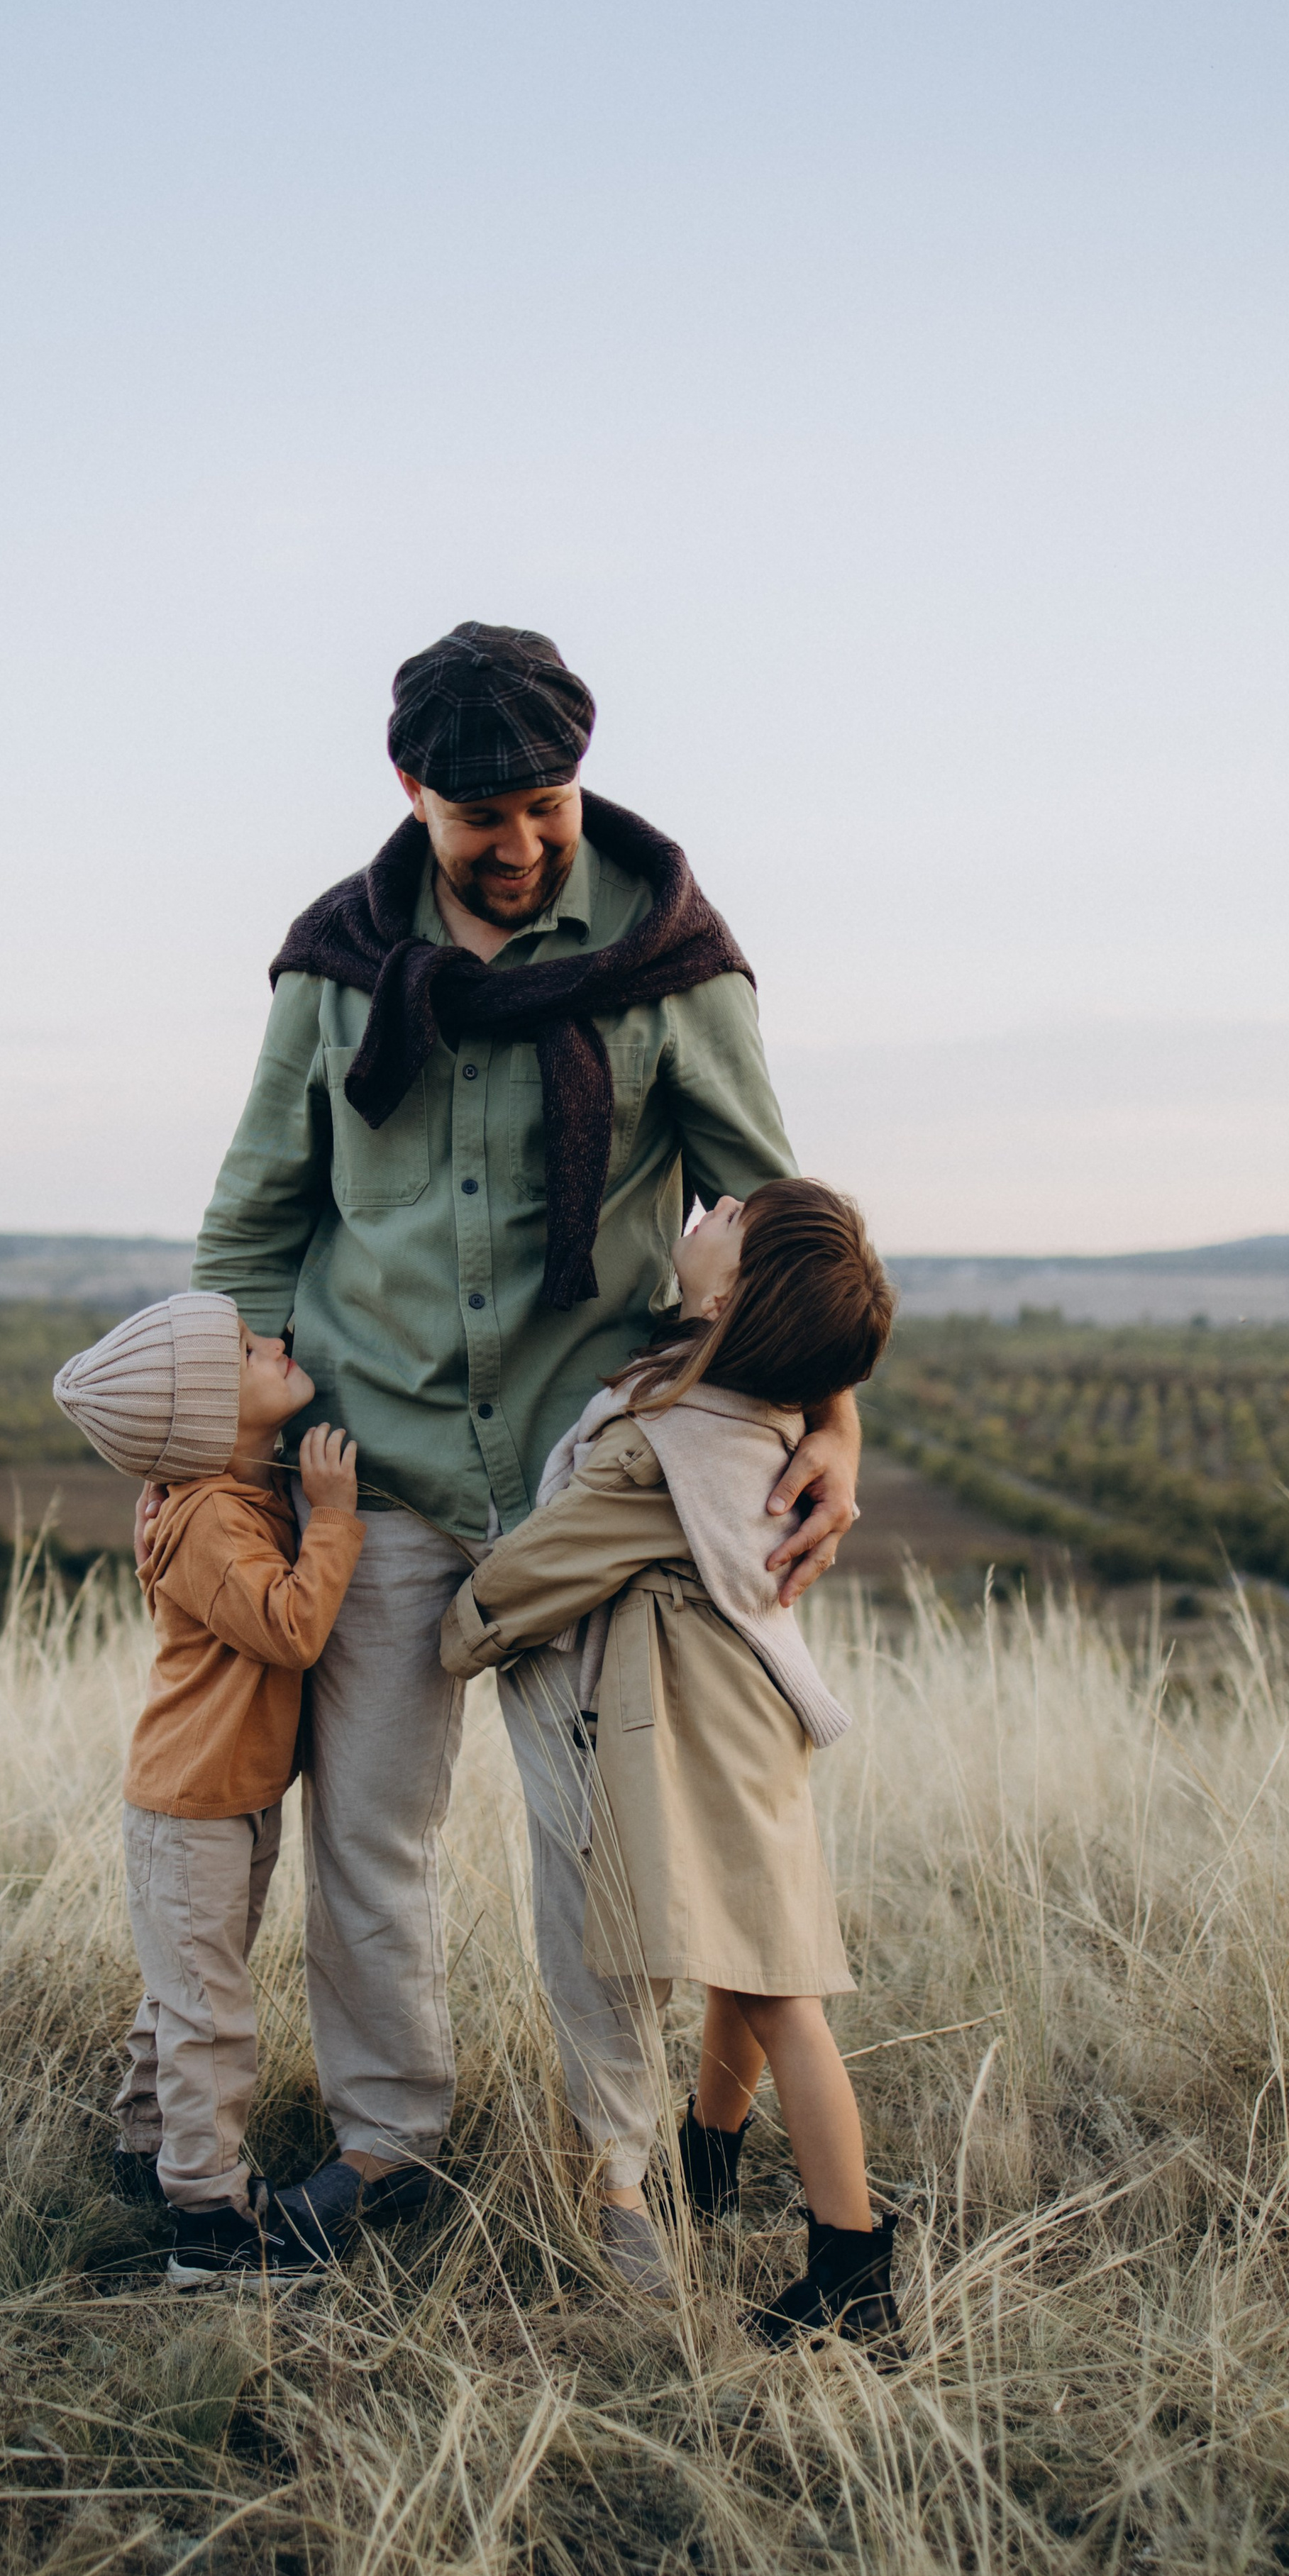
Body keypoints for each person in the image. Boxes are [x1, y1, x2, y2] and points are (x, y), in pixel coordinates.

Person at [184, 621, 863, 2263]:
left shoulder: (672, 962)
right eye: (482, 815)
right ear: (412, 789)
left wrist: (829, 1420)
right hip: (378, 1470)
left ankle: (608, 2171)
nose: (520, 845)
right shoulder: (329, 971)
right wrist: (226, 1459)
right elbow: (252, 1226)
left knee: (604, 1853)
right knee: (369, 1835)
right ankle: (387, 2146)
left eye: (546, 806)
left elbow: (770, 1217)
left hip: (596, 1491)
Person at [438, 1180, 902, 2345]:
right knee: (739, 1954)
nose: (714, 1201)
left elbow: (551, 1561)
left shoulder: (669, 1447)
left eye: (732, 1218)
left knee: (774, 1986)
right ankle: (709, 2153)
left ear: (731, 1292)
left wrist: (457, 1630)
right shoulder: (755, 1409)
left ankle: (853, 2274)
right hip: (749, 1718)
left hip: (705, 1725)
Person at [52, 1290, 365, 2288]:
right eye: (243, 1350)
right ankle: (209, 2222)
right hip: (193, 1806)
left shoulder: (223, 1495)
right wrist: (339, 1521)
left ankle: (148, 2153)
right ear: (200, 1420)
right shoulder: (208, 1523)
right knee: (210, 2013)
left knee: (187, 1987)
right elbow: (289, 1627)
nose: (274, 1344)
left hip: (220, 1795)